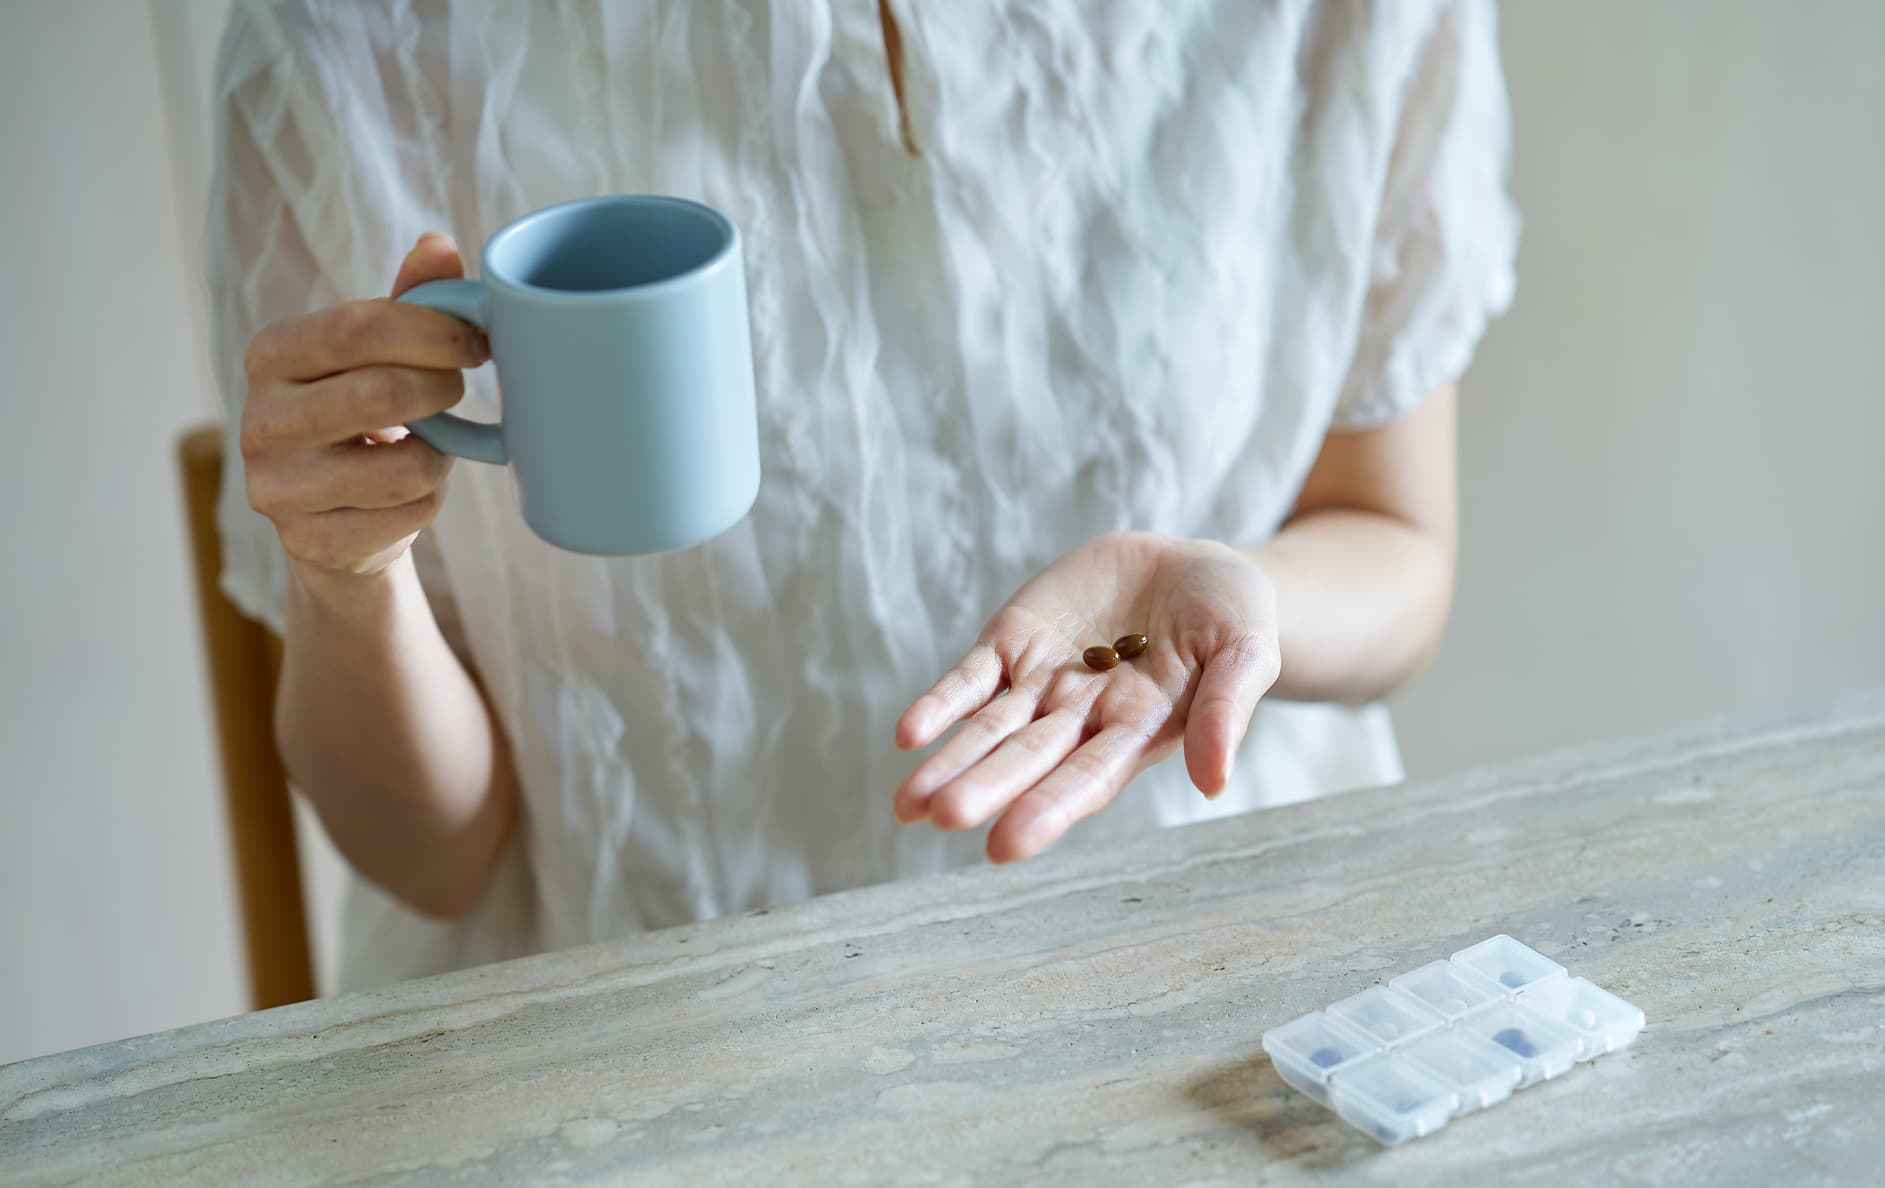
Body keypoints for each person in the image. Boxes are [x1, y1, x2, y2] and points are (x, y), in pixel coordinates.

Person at [208, 0, 1517, 992]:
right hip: (629, 1037)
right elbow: (435, 861)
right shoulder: (355, 39)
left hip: (1221, 964)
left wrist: (1246, 606)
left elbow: (1396, 543)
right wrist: (349, 579)